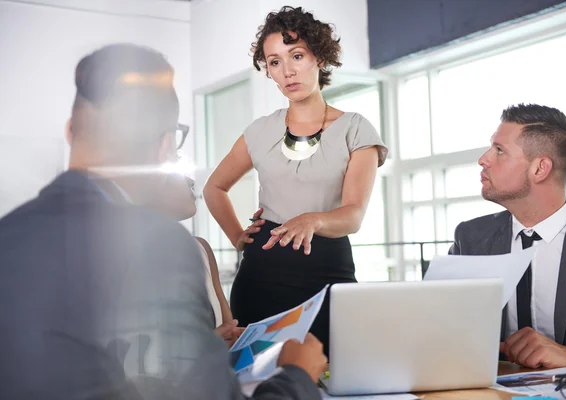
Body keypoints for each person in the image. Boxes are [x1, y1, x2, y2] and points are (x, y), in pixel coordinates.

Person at [0, 43, 326, 399]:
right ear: (165, 146)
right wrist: (298, 374)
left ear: (70, 131)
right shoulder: (158, 243)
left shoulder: (10, 233)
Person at [203, 6, 388, 356]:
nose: (287, 71)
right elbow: (214, 187)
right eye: (274, 62)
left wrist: (312, 220)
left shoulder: (355, 128)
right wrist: (238, 238)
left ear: (319, 58)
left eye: (297, 55)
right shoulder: (259, 131)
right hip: (260, 277)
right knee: (254, 382)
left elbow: (353, 215)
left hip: (327, 276)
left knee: (333, 374)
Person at [449, 103, 566, 369]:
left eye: (499, 151)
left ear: (540, 169)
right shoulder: (470, 238)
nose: (483, 159)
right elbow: (440, 329)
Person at [147, 171, 241, 345]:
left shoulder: (202, 250)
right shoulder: (130, 257)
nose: (190, 180)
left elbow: (229, 332)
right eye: (175, 172)